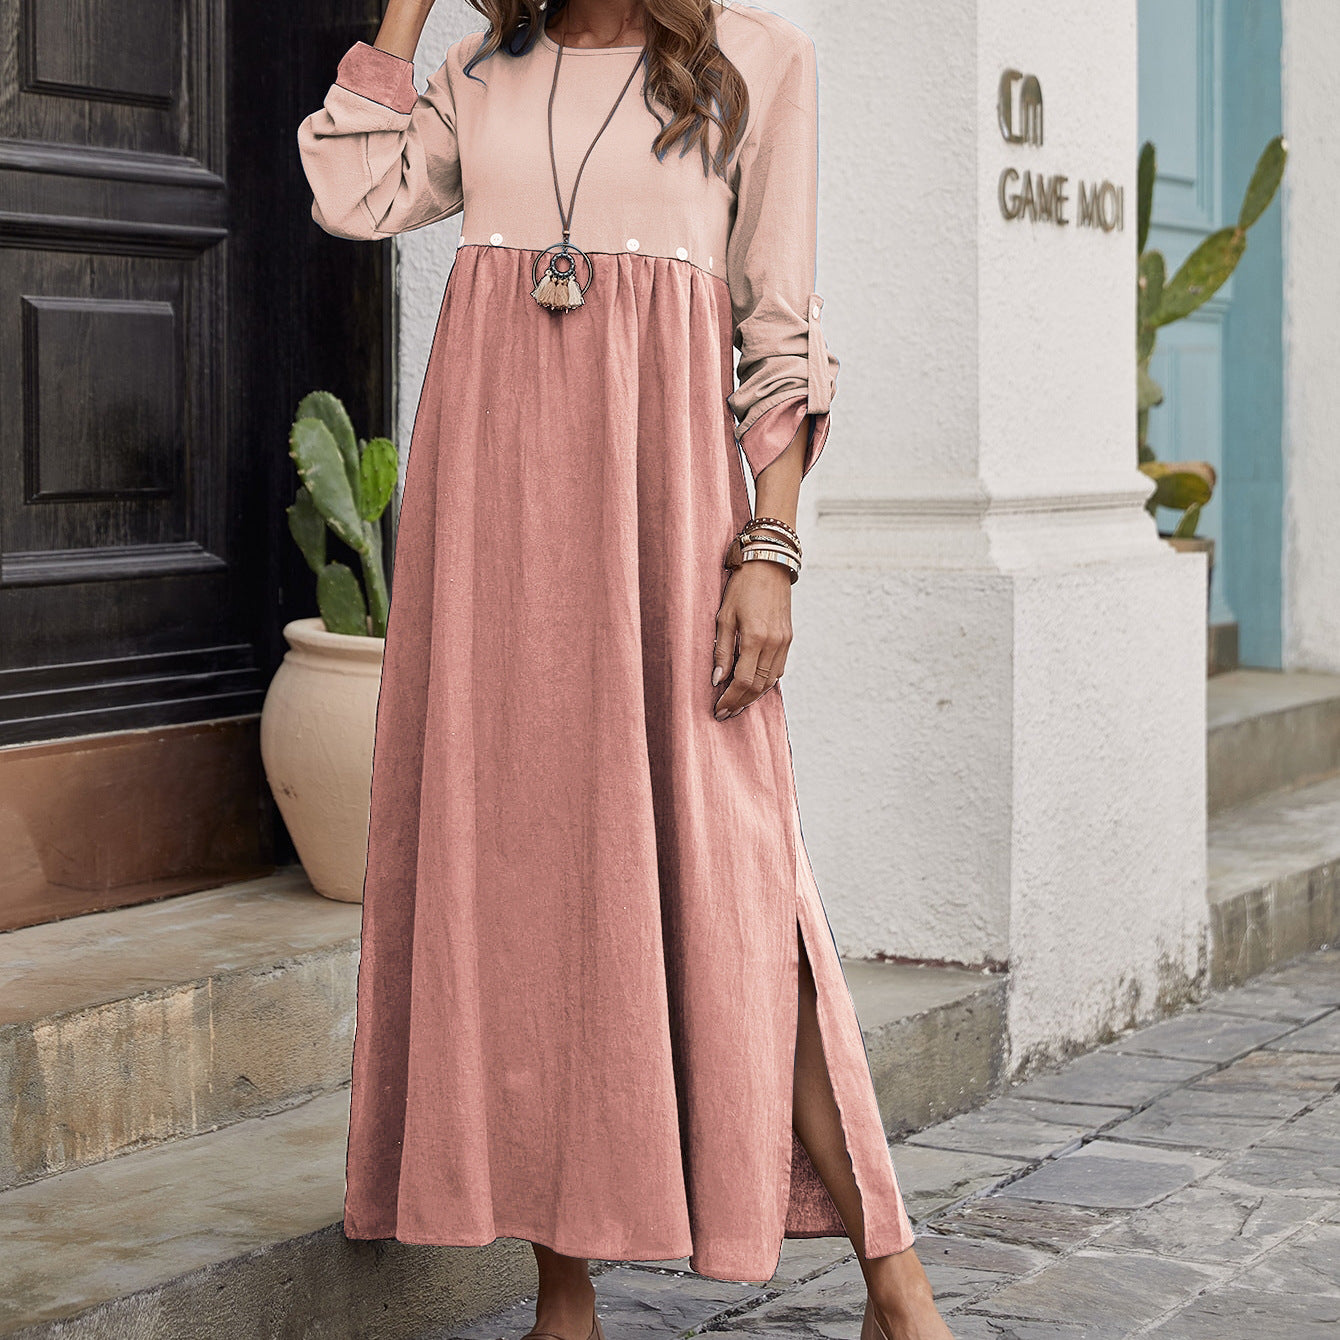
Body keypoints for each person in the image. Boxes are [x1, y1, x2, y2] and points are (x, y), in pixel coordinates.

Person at [297, 2, 955, 1337]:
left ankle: (893, 1274)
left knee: (743, 886)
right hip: (494, 542)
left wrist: (770, 549)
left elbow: (780, 331)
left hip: (669, 539)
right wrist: (404, 18)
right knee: (527, 888)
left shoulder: (757, 66)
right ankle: (564, 1292)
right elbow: (355, 195)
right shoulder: (482, 74)